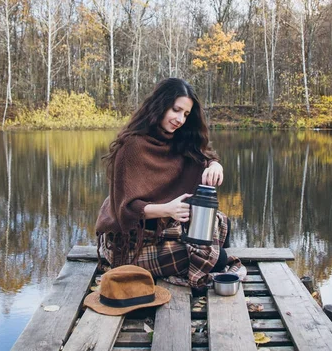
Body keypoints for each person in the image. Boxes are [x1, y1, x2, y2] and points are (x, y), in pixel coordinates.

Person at [95, 78, 237, 288]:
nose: (180, 119)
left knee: (222, 222)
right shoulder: (131, 147)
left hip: (159, 231)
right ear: (160, 106)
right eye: (176, 110)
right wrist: (167, 209)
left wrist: (215, 165)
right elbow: (125, 210)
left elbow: (201, 158)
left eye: (186, 114)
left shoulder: (178, 140)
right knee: (219, 258)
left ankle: (198, 262)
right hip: (129, 242)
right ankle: (196, 266)